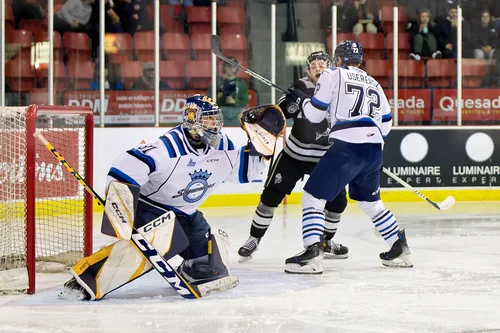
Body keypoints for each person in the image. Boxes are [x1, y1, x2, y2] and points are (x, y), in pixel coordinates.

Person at [59, 95, 285, 300]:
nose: (214, 125)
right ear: (192, 120)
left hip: (187, 215)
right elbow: (128, 164)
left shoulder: (223, 147)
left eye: (216, 120)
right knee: (162, 239)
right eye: (208, 120)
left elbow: (245, 173)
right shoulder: (169, 147)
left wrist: (260, 148)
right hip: (150, 210)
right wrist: (120, 203)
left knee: (210, 264)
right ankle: (84, 281)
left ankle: (190, 268)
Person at [283, 40, 413, 274]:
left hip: (347, 147)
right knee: (370, 202)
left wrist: (301, 99)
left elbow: (313, 115)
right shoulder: (375, 83)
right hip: (374, 149)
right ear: (360, 61)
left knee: (313, 196)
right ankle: (398, 246)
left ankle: (312, 252)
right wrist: (367, 143)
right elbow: (386, 125)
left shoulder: (332, 74)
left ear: (338, 59)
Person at [238, 51, 348, 263]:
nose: (318, 67)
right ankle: (253, 239)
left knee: (338, 202)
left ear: (330, 67)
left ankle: (325, 241)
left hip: (325, 160)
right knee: (269, 197)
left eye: (322, 64)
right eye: (313, 65)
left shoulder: (341, 91)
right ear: (307, 71)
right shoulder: (298, 89)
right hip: (293, 156)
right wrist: (282, 107)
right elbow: (277, 115)